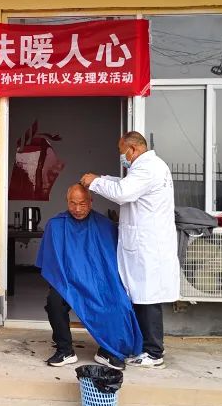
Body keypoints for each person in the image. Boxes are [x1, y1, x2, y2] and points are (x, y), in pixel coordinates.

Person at [81, 131, 180, 368]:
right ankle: (144, 346)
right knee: (142, 297)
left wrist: (95, 183)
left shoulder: (148, 168)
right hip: (145, 245)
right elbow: (124, 184)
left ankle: (154, 353)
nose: (122, 157)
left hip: (148, 247)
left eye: (122, 152)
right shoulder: (148, 167)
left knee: (148, 299)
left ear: (132, 149)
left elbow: (123, 193)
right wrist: (102, 178)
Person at [37, 184, 143, 369]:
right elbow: (52, 264)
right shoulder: (56, 225)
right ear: (67, 202)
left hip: (98, 281)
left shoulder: (105, 225)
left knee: (118, 301)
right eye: (73, 203)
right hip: (68, 281)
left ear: (91, 202)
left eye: (82, 204)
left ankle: (109, 351)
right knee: (54, 300)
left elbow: (112, 261)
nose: (77, 209)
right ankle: (64, 350)